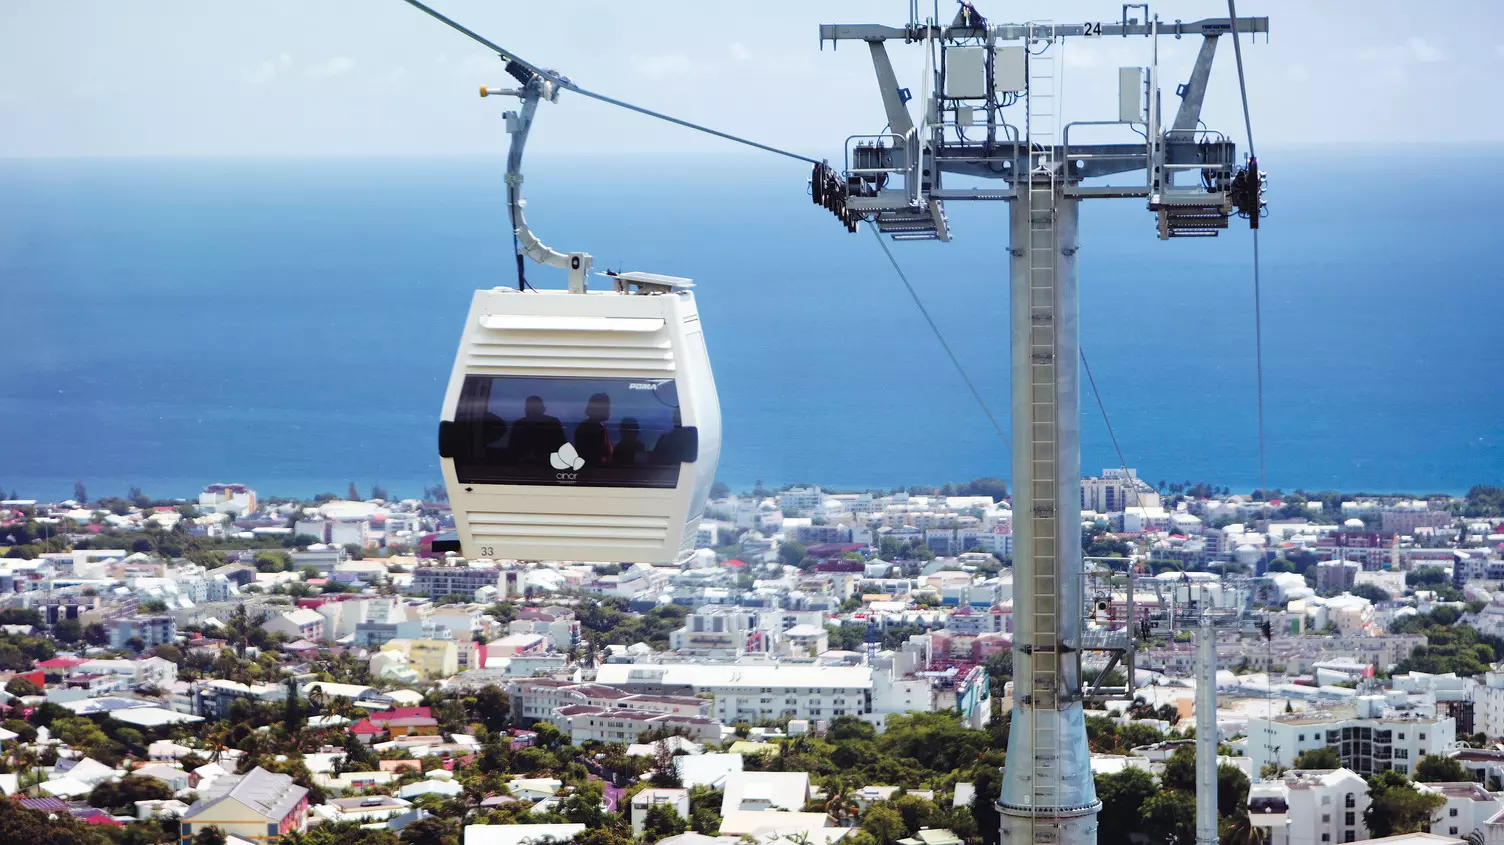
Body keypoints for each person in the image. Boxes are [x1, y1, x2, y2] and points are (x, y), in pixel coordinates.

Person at [509, 395, 566, 466]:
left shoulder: (519, 424)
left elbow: (512, 452)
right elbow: (562, 448)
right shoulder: (553, 423)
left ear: (526, 410)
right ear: (543, 409)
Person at [573, 393, 614, 465]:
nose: (608, 410)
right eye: (606, 407)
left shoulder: (590, 425)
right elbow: (597, 456)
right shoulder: (593, 428)